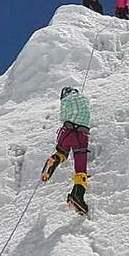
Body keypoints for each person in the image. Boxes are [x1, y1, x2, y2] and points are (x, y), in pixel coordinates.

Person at [40, 86, 91, 215]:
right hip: (82, 134)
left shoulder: (65, 101)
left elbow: (63, 117)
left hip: (67, 131)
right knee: (80, 170)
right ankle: (77, 195)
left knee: (62, 152)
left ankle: (55, 159)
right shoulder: (84, 99)